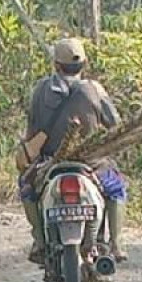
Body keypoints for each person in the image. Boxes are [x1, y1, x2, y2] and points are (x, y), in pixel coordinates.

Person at [19, 37, 129, 265]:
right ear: (84, 64)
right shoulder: (95, 89)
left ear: (56, 65)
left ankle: (39, 241)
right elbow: (115, 125)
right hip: (92, 164)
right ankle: (116, 244)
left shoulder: (40, 89)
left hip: (50, 163)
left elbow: (32, 131)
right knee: (116, 189)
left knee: (27, 187)